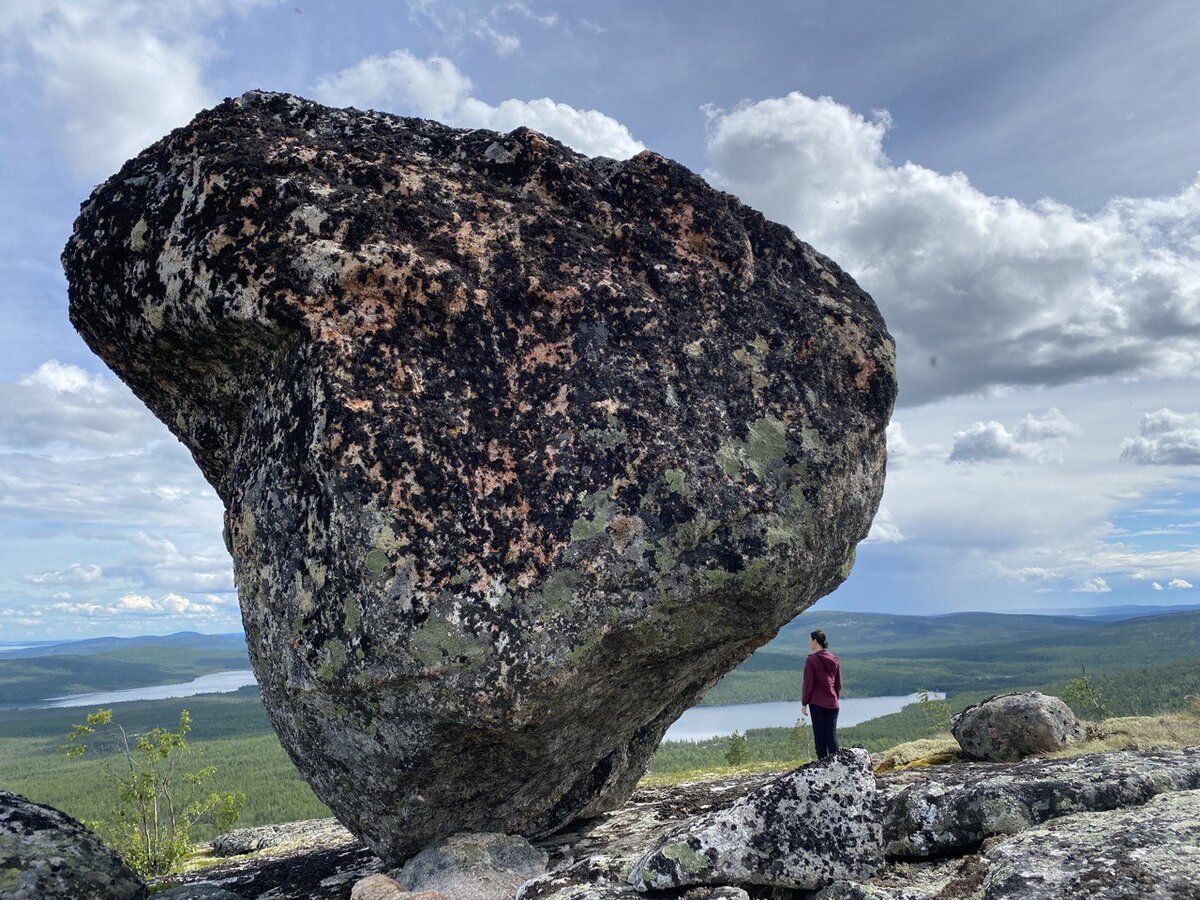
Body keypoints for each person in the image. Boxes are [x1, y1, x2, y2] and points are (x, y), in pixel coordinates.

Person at [801, 628, 841, 759]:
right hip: (833, 703)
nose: (808, 643)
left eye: (810, 640)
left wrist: (804, 703)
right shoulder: (834, 659)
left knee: (820, 736)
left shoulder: (811, 660)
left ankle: (823, 766)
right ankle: (836, 765)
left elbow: (808, 684)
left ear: (816, 641)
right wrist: (834, 698)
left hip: (817, 704)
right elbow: (838, 685)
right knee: (831, 736)